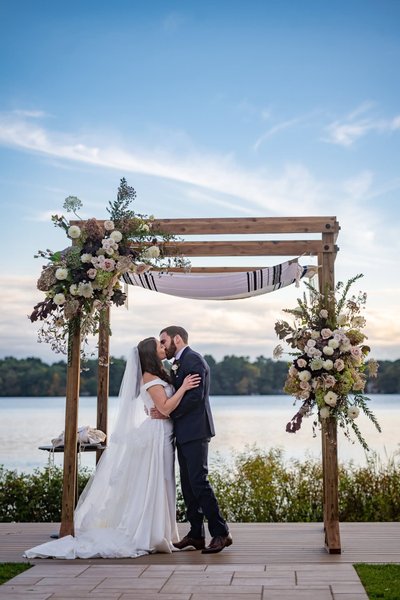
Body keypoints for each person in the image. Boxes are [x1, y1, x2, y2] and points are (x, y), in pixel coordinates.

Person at [24, 337, 200, 559]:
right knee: (159, 481)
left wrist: (161, 406)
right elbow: (164, 408)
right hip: (157, 435)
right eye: (159, 346)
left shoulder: (158, 374)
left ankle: (161, 531)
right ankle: (151, 533)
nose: (164, 348)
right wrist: (183, 388)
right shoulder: (150, 376)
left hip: (162, 432)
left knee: (162, 481)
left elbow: (160, 407)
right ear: (150, 354)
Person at [157, 325, 232, 554]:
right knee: (188, 486)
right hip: (184, 431)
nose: (162, 346)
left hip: (197, 430)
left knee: (199, 482)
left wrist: (168, 412)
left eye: (164, 341)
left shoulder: (194, 360)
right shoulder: (179, 362)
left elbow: (195, 398)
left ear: (177, 339)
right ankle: (196, 534)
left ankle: (221, 533)